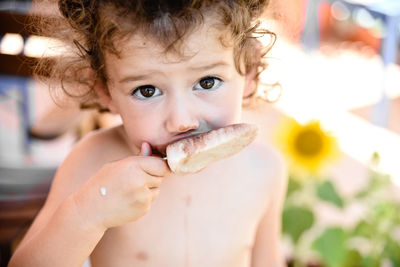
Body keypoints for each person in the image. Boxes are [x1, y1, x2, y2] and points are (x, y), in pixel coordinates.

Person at [9, 0, 288, 266]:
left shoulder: (263, 169)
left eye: (207, 81)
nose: (182, 120)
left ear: (249, 70)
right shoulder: (94, 163)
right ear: (106, 91)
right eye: (147, 90)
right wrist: (89, 212)